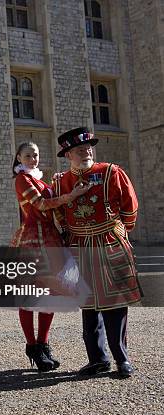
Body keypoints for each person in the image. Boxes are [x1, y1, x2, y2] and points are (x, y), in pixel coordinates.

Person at [52, 127, 141, 379]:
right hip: (79, 246)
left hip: (109, 242)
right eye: (80, 150)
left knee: (115, 303)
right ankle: (97, 359)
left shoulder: (111, 172)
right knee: (89, 306)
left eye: (89, 148)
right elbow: (58, 213)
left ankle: (122, 358)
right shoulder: (60, 181)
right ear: (68, 155)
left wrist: (118, 230)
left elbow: (129, 207)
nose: (87, 151)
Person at [11, 142, 91, 372]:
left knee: (50, 293)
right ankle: (32, 346)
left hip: (51, 237)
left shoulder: (40, 180)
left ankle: (44, 344)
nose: (32, 159)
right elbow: (41, 204)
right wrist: (71, 195)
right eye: (27, 156)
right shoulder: (22, 179)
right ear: (19, 158)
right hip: (32, 239)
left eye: (35, 155)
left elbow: (54, 207)